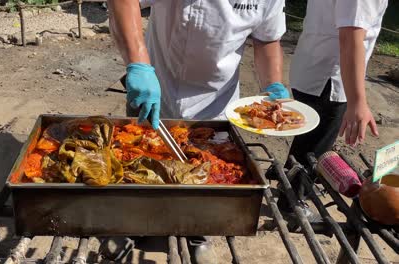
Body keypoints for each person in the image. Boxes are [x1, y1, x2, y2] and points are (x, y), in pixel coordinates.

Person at [105, 0, 289, 262]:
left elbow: (267, 39)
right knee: (138, 164)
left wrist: (273, 85)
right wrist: (138, 63)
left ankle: (197, 233)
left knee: (206, 177)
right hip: (157, 86)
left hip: (215, 103)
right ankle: (132, 224)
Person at [277, 0, 388, 216]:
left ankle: (287, 183)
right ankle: (292, 202)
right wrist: (357, 102)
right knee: (314, 146)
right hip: (329, 77)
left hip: (315, 66)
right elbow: (350, 39)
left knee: (307, 139)